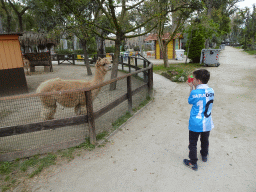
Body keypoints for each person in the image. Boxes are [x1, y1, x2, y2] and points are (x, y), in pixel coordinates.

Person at [183, 69, 214, 171]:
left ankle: (193, 162)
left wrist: (191, 88)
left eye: (194, 79)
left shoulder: (194, 92)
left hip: (195, 123)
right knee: (205, 140)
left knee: (192, 143)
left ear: (199, 81)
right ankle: (204, 155)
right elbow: (203, 95)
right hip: (207, 122)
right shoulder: (211, 91)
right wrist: (195, 86)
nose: (193, 80)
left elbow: (190, 101)